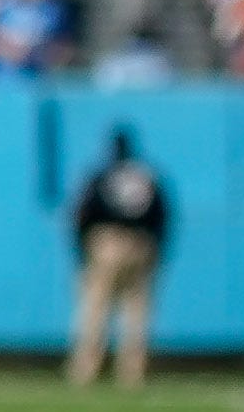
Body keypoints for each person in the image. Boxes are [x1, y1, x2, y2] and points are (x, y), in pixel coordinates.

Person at [66, 125, 170, 388]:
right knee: (136, 312)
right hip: (141, 244)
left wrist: (82, 251)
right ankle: (132, 372)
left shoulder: (102, 175)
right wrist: (157, 249)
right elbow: (163, 215)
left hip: (108, 243)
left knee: (95, 308)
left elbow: (82, 213)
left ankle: (86, 369)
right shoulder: (146, 176)